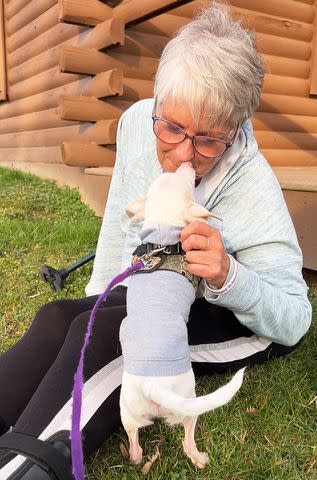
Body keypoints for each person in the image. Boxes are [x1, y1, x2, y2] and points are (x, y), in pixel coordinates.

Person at [0, 2, 312, 478]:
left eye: (207, 140)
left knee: (115, 337)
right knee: (59, 317)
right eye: (172, 128)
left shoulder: (254, 187)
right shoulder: (137, 123)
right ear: (158, 100)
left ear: (234, 129)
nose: (182, 154)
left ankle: (25, 467)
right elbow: (123, 230)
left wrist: (229, 275)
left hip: (240, 320)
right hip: (162, 291)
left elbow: (295, 320)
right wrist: (96, 299)